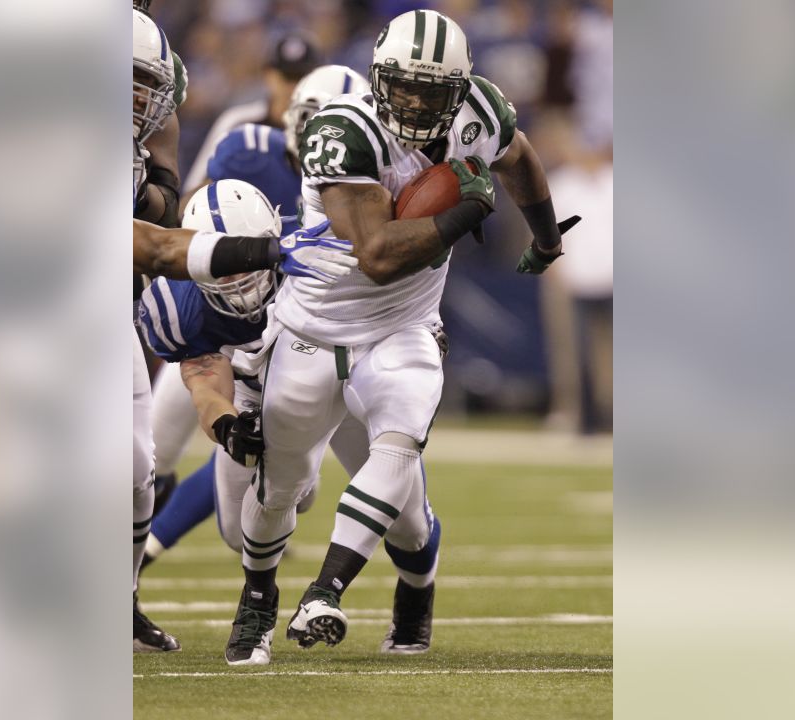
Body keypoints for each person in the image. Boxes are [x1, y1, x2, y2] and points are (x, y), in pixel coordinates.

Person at [225, 9, 579, 663]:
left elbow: (521, 159)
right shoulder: (345, 129)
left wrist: (547, 235)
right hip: (314, 328)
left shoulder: (483, 110)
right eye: (405, 86)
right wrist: (467, 211)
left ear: (461, 85)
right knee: (278, 491)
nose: (416, 102)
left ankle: (335, 592)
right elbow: (379, 254)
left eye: (431, 89)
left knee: (406, 450)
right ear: (380, 78)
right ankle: (258, 594)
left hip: (403, 325)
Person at [130, 12, 359, 653]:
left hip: (296, 329)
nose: (294, 100)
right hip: (215, 329)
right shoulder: (240, 148)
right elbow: (180, 226)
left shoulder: (319, 231)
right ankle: (127, 576)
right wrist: (226, 421)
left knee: (286, 476)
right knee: (151, 455)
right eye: (282, 82)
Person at [181, 32, 320, 194]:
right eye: (287, 77)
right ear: (269, 76)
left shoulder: (320, 131)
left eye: (303, 78)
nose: (295, 87)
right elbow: (196, 188)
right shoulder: (238, 121)